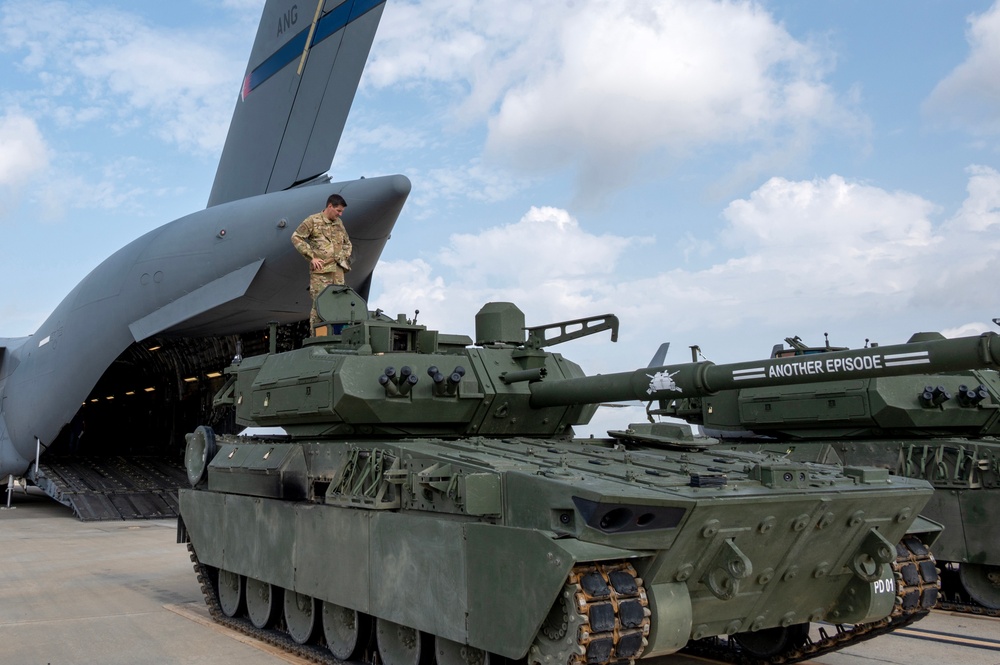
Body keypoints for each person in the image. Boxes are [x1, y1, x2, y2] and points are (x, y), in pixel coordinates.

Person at [291, 194, 353, 326]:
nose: (340, 214)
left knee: (340, 305)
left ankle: (337, 337)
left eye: (342, 211)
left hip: (338, 272)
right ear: (330, 206)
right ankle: (317, 338)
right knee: (320, 305)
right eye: (338, 211)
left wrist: (343, 257)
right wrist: (311, 257)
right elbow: (296, 237)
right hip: (321, 273)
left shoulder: (339, 223)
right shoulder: (313, 220)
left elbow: (347, 243)